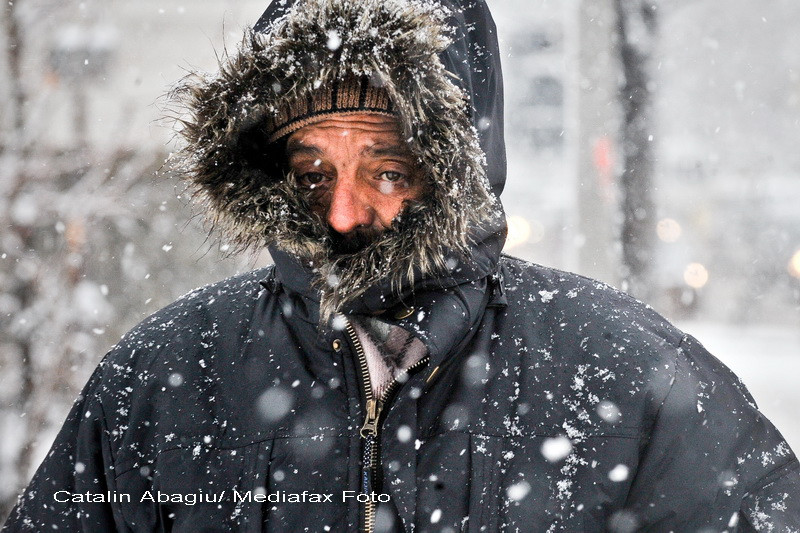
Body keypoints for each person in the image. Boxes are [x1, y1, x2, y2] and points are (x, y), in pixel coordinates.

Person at [3, 0, 799, 531]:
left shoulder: (626, 380)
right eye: (312, 172)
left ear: (456, 166)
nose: (342, 214)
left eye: (386, 169)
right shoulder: (163, 380)